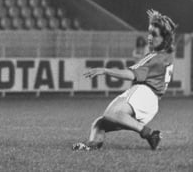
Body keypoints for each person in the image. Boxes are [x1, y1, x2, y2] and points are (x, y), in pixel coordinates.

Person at [72, 9, 177, 151]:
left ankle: (150, 134)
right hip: (151, 104)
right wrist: (158, 20)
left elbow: (130, 74)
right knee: (100, 123)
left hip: (144, 92)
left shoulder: (154, 57)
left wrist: (105, 70)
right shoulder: (168, 53)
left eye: (154, 34)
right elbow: (167, 38)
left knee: (110, 114)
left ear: (164, 38)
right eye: (149, 32)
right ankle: (91, 146)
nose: (149, 37)